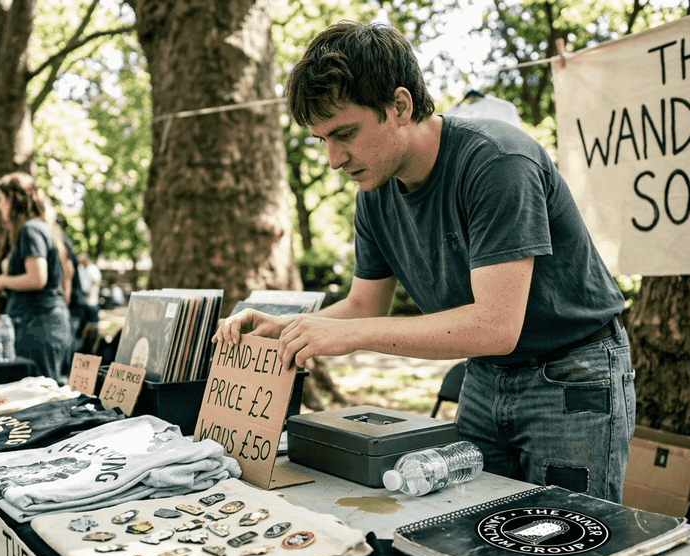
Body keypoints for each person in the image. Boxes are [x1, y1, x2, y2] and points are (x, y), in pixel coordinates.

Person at [214, 22, 635, 502]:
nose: (333, 159)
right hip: (485, 376)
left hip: (572, 375)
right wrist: (287, 326)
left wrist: (348, 338)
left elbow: (497, 325)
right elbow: (362, 308)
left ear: (399, 106)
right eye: (321, 140)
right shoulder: (372, 191)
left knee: (569, 538)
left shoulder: (497, 161)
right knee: (471, 524)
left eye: (344, 133)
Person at [0, 172, 71, 382]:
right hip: (37, 325)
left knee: (39, 396)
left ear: (14, 200)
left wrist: (1, 281)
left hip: (38, 328)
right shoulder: (38, 227)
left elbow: (37, 278)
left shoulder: (30, 229)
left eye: (1, 200)